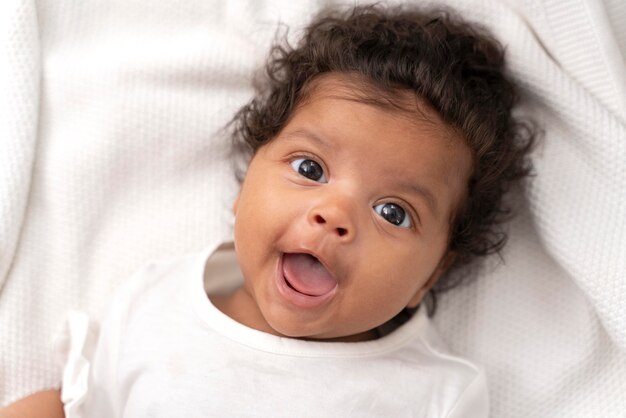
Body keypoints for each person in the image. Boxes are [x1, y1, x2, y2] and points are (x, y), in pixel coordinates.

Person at [1, 4, 534, 417]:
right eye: (309, 169)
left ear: (430, 275)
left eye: (393, 212)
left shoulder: (436, 394)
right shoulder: (154, 303)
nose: (334, 212)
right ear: (247, 180)